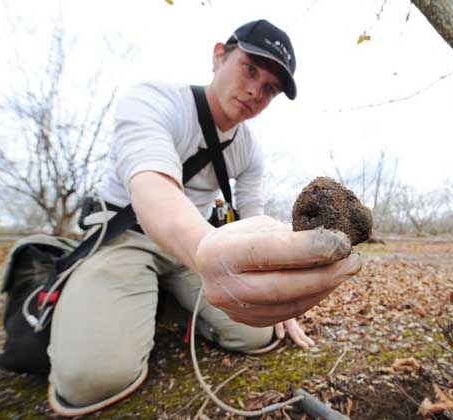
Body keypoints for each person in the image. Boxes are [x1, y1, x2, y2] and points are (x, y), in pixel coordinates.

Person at [46, 19, 362, 416]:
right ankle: (102, 295)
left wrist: (281, 292)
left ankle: (164, 301)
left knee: (259, 332)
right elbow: (152, 189)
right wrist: (206, 253)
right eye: (250, 68)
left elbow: (253, 219)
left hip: (190, 255)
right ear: (219, 55)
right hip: (127, 238)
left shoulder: (249, 151)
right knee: (91, 380)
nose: (255, 91)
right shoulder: (155, 101)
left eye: (270, 88)